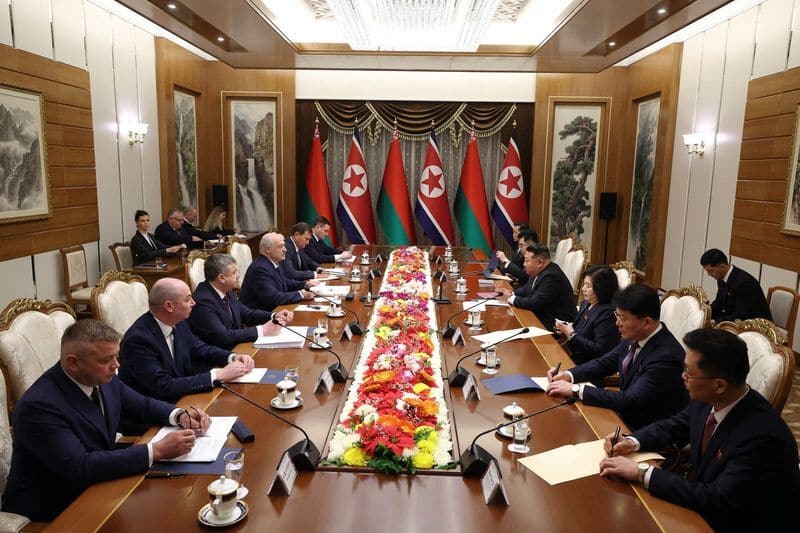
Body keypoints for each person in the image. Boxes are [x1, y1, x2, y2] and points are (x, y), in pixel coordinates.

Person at [2, 319, 209, 521]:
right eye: (106, 360)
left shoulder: (99, 377)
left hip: (98, 485)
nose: (116, 365)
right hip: (54, 507)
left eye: (116, 357)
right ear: (73, 363)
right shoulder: (39, 406)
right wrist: (156, 451)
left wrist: (179, 415)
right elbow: (80, 467)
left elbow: (142, 405)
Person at [599, 328, 799, 531]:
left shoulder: (762, 438)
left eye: (689, 373)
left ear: (720, 385)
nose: (682, 376)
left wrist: (641, 472)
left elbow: (717, 498)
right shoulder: (710, 398)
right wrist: (632, 440)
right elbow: (676, 425)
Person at [546, 284, 688, 430]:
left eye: (622, 318)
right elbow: (606, 362)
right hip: (624, 416)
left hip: (645, 429)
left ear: (646, 322)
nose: (617, 323)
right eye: (617, 315)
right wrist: (569, 375)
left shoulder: (666, 357)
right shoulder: (635, 335)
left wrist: (576, 390)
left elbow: (631, 400)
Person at [119, 278, 255, 403]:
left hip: (182, 398)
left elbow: (200, 348)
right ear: (169, 306)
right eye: (188, 299)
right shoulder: (138, 340)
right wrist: (218, 375)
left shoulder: (178, 322)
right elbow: (162, 386)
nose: (194, 303)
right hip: (157, 410)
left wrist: (232, 357)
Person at [188, 253, 294, 350]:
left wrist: (274, 316)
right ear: (221, 278)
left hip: (236, 348)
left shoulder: (227, 291)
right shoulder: (203, 301)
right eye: (234, 272)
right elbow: (224, 336)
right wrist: (262, 330)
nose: (238, 275)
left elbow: (247, 314)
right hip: (218, 357)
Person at [498, 243, 577, 331]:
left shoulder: (551, 276)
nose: (524, 264)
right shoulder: (539, 271)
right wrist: (511, 293)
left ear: (540, 263)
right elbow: (527, 289)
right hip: (540, 316)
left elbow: (534, 303)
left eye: (527, 261)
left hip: (556, 326)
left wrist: (510, 298)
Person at [554, 264, 620, 364]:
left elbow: (599, 349)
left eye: (588, 286)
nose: (583, 289)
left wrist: (571, 334)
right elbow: (581, 329)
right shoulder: (587, 302)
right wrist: (566, 329)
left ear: (601, 288)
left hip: (588, 363)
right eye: (584, 284)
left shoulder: (608, 313)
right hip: (572, 353)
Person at [240, 232, 316, 312]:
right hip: (263, 315)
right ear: (268, 250)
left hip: (276, 310)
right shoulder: (260, 268)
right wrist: (300, 294)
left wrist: (305, 284)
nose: (285, 250)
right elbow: (272, 297)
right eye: (280, 246)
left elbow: (283, 282)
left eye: (284, 246)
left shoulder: (273, 262)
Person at [700, 248, 772, 323]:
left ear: (722, 266)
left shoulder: (745, 283)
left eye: (710, 271)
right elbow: (719, 303)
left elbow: (740, 315)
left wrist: (714, 321)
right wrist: (705, 314)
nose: (709, 274)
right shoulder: (721, 278)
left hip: (755, 325)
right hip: (734, 318)